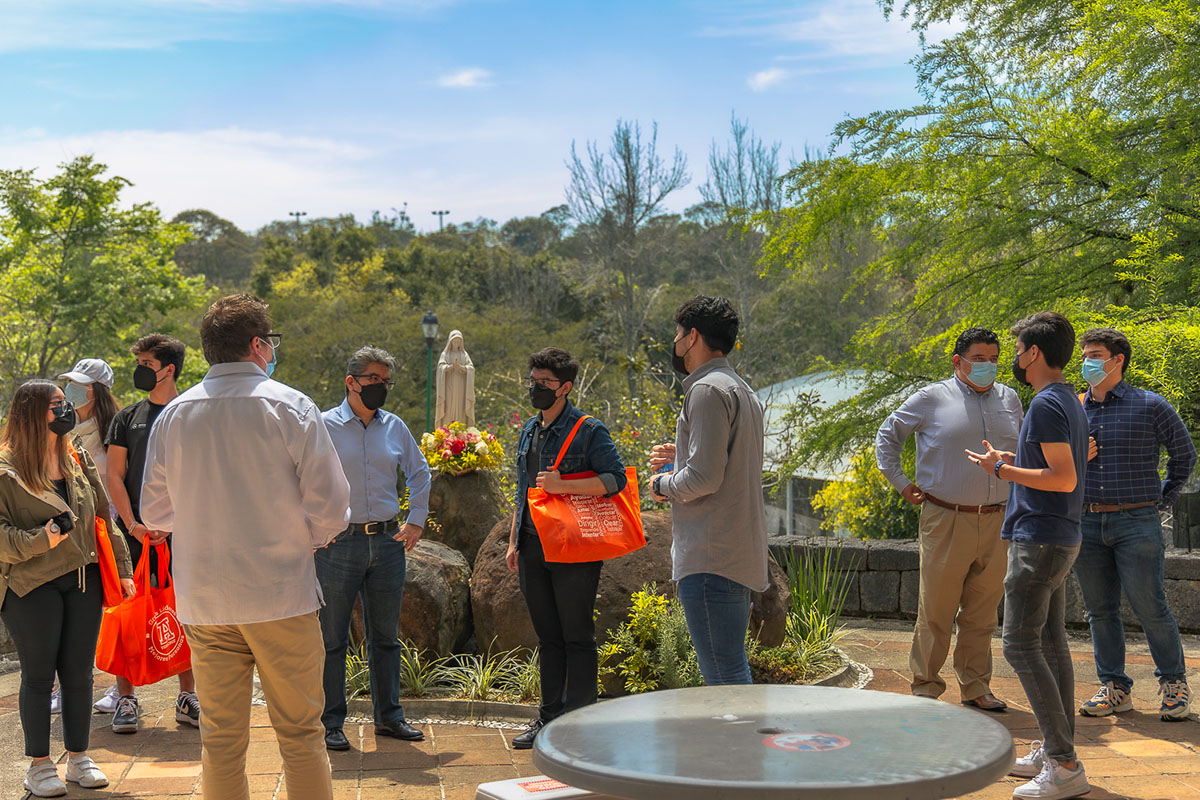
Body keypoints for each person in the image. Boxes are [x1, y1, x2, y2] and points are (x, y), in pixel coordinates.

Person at [140, 293, 351, 800]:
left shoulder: (175, 414)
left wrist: (199, 515)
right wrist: (308, 537)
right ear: (258, 345)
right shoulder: (290, 406)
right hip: (281, 594)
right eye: (270, 343)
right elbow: (332, 504)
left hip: (207, 599)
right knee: (301, 735)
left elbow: (154, 513)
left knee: (220, 740)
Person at [966, 311, 1089, 800]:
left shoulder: (1044, 404)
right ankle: (1055, 746)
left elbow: (1062, 478)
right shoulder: (1067, 400)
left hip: (1039, 540)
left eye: (1017, 350)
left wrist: (1003, 473)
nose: (1013, 359)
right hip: (1059, 536)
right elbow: (1057, 464)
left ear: (1034, 353)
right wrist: (1008, 460)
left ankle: (1063, 763)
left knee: (1019, 645)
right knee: (1051, 643)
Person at [875, 327, 1023, 711]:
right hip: (945, 518)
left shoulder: (1010, 398)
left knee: (983, 611)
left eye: (993, 359)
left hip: (999, 519)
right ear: (957, 361)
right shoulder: (930, 398)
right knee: (937, 610)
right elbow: (888, 435)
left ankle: (976, 686)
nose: (987, 366)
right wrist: (901, 482)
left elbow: (1023, 450)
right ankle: (926, 687)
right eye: (978, 359)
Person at [0, 380, 134, 797]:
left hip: (83, 578)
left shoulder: (73, 453)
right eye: (57, 404)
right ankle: (39, 766)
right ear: (31, 412)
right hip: (29, 583)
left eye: (67, 402)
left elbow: (100, 514)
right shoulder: (5, 467)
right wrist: (43, 538)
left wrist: (123, 567)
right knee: (39, 676)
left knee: (79, 674)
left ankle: (78, 757)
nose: (67, 409)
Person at [505, 347, 627, 750]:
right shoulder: (529, 429)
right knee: (548, 637)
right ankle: (549, 720)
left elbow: (616, 479)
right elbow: (523, 490)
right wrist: (513, 541)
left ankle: (581, 723)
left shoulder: (589, 430)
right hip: (533, 548)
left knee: (577, 635)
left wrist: (564, 485)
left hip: (575, 551)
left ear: (566, 387)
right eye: (533, 381)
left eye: (545, 383)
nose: (536, 388)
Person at [1072, 327, 1195, 721]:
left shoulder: (1151, 405)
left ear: (1117, 360)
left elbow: (1184, 457)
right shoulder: (1074, 409)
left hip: (1137, 522)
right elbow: (1052, 465)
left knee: (1150, 606)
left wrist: (1164, 499)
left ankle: (1174, 684)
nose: (1086, 362)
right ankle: (1114, 688)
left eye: (1094, 354)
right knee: (1099, 611)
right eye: (1085, 355)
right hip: (1087, 522)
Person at [649, 296, 769, 687]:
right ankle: (743, 747)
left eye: (678, 333)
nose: (676, 342)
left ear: (693, 336)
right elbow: (727, 464)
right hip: (736, 551)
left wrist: (661, 485)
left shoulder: (704, 391)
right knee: (732, 668)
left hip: (709, 556)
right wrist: (681, 452)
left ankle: (737, 749)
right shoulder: (741, 390)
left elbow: (704, 478)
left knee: (723, 675)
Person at [318, 346, 431, 751]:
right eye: (373, 380)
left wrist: (416, 518)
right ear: (351, 382)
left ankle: (389, 717)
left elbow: (419, 472)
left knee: (385, 637)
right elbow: (301, 477)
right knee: (331, 639)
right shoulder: (323, 426)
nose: (381, 387)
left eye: (386, 382)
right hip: (337, 545)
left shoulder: (395, 426)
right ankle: (330, 723)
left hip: (387, 543)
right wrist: (315, 526)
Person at [102, 334, 199, 731]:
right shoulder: (127, 418)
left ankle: (188, 696)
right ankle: (126, 699)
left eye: (146, 362)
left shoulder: (195, 413)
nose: (140, 369)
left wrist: (180, 523)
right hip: (135, 534)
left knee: (186, 611)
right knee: (129, 614)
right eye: (139, 362)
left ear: (168, 368)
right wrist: (134, 525)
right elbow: (114, 475)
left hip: (187, 534)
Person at [435, 329, 475, 427]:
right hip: (448, 385)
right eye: (454, 341)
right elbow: (441, 367)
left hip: (461, 385)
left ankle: (461, 430)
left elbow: (471, 368)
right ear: (450, 342)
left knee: (460, 407)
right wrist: (450, 367)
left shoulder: (464, 355)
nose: (456, 343)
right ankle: (446, 430)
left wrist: (462, 368)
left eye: (458, 342)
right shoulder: (446, 354)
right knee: (448, 407)